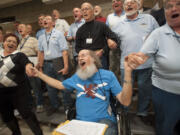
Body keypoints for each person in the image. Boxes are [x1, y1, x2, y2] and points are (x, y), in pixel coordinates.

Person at [32, 49, 133, 135]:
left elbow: (125, 102)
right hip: (80, 122)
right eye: (78, 57)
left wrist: (127, 73)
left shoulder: (108, 75)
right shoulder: (77, 77)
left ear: (94, 59)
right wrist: (39, 74)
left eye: (83, 55)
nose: (79, 58)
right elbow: (59, 85)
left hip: (103, 121)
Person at [127, 0, 180, 134]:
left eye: (178, 4)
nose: (174, 9)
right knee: (166, 128)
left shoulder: (149, 19)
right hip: (166, 93)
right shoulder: (158, 34)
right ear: (164, 12)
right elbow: (142, 55)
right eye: (169, 6)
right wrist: (134, 59)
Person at [110, 0, 159, 118]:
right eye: (126, 3)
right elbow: (112, 38)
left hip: (146, 63)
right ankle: (125, 111)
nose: (129, 5)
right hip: (126, 64)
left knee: (144, 89)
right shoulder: (119, 23)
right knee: (126, 89)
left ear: (138, 5)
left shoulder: (149, 19)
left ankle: (142, 112)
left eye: (132, 2)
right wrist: (110, 41)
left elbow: (159, 35)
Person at [0, 33, 43, 135]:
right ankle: (16, 133)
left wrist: (28, 66)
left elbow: (26, 62)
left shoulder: (19, 55)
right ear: (4, 43)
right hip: (1, 93)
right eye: (8, 41)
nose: (11, 43)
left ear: (17, 45)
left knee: (27, 114)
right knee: (7, 117)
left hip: (19, 93)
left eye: (14, 42)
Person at [37, 15, 73, 116]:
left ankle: (68, 107)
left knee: (64, 85)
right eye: (44, 19)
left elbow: (64, 51)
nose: (45, 20)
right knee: (50, 86)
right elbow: (41, 52)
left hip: (58, 61)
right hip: (47, 64)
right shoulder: (40, 36)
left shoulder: (58, 34)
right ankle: (55, 106)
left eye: (48, 19)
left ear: (53, 23)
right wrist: (40, 66)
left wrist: (66, 66)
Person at [75, 2, 119, 70]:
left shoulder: (101, 25)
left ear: (92, 11)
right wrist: (86, 54)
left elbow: (114, 39)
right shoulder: (80, 30)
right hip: (87, 60)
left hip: (101, 59)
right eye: (82, 10)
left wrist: (103, 51)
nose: (84, 11)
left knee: (103, 79)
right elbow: (77, 48)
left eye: (86, 9)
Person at [18, 23, 44, 113]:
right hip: (23, 68)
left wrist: (39, 64)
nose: (19, 29)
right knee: (27, 88)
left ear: (27, 30)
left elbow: (39, 52)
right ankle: (30, 105)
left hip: (32, 65)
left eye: (22, 27)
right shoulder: (20, 42)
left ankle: (40, 104)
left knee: (35, 86)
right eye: (18, 28)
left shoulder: (32, 39)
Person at [106, 0, 125, 81]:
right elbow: (106, 32)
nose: (115, 3)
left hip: (127, 46)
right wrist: (108, 40)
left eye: (118, 0)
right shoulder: (109, 17)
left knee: (126, 69)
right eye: (113, 1)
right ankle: (115, 90)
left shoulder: (128, 14)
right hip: (114, 47)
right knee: (113, 69)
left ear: (122, 3)